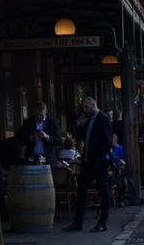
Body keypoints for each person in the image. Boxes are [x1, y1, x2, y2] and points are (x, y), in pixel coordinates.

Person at [66, 95, 113, 232]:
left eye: (86, 107)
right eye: (83, 108)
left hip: (98, 161)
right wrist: (81, 125)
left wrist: (98, 157)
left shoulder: (103, 119)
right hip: (87, 160)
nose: (85, 110)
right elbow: (81, 137)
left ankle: (103, 222)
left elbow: (107, 141)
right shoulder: (88, 120)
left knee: (103, 190)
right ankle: (78, 222)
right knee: (81, 191)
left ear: (93, 105)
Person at [17, 101, 63, 166]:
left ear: (46, 111)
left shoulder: (52, 123)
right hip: (32, 158)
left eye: (41, 115)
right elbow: (20, 140)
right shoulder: (28, 123)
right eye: (37, 115)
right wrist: (31, 137)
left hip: (47, 159)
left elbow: (59, 140)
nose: (39, 117)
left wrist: (47, 137)